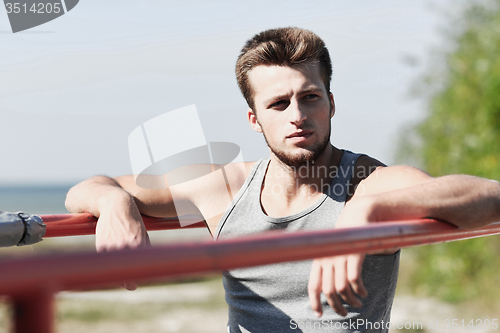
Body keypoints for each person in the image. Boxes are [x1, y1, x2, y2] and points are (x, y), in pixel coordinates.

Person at [65, 27, 500, 332]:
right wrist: (116, 205)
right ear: (255, 120)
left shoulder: (369, 182)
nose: (297, 116)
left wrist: (367, 211)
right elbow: (90, 187)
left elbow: (490, 196)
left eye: (310, 98)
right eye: (278, 104)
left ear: (330, 104)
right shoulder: (223, 187)